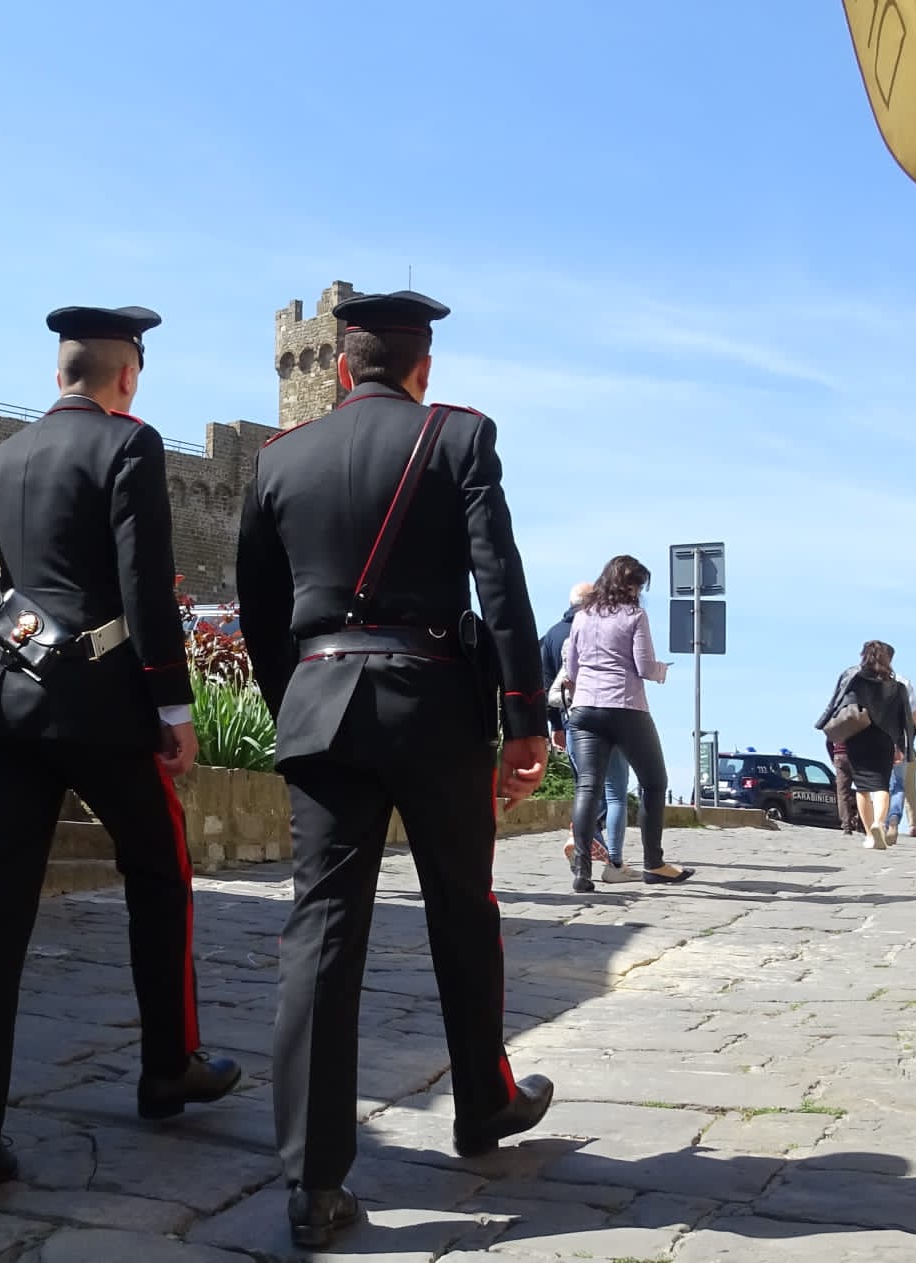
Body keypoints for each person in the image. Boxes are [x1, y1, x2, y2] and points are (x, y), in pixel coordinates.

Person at [237, 290, 554, 1249]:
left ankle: (313, 1180)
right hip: (434, 706)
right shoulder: (458, 437)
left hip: (321, 703)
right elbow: (499, 581)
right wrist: (523, 716)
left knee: (320, 930)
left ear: (340, 369)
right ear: (423, 369)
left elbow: (259, 607)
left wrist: (293, 703)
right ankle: (482, 1102)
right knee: (463, 909)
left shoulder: (278, 458)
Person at [0, 305, 241, 1205]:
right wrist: (173, 705)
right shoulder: (128, 444)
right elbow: (145, 581)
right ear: (127, 376)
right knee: (161, 871)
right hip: (101, 707)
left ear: (58, 373)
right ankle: (167, 1065)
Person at [559, 556, 692, 892]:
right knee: (654, 783)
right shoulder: (634, 616)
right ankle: (654, 864)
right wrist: (662, 670)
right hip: (625, 707)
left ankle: (582, 871)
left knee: (588, 787)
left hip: (585, 708)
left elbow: (571, 668)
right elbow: (644, 666)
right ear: (629, 585)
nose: (638, 592)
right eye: (637, 585)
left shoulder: (582, 616)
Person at [541, 583, 633, 879]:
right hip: (609, 713)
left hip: (572, 720)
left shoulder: (551, 635)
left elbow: (546, 684)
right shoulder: (602, 628)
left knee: (585, 786)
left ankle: (584, 844)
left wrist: (556, 725)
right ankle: (606, 855)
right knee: (613, 792)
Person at [817, 640, 912, 851]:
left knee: (862, 788)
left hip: (857, 736)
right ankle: (879, 822)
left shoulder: (853, 679)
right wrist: (901, 747)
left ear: (864, 655)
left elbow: (837, 703)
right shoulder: (897, 687)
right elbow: (903, 720)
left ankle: (870, 834)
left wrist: (824, 723)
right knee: (881, 786)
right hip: (884, 740)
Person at [889, 662, 916, 837]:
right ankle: (913, 825)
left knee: (884, 787)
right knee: (909, 790)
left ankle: (883, 821)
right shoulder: (904, 684)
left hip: (881, 747)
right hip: (906, 749)